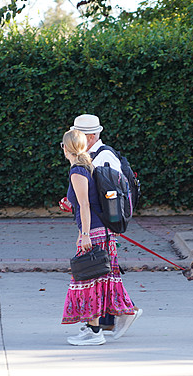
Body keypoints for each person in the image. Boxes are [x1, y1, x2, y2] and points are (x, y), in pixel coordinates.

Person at [66, 114, 142, 339]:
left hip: (99, 226)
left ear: (89, 137)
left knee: (96, 275)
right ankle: (104, 322)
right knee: (102, 274)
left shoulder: (103, 157)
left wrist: (88, 231)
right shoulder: (88, 159)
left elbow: (107, 196)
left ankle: (122, 313)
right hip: (96, 225)